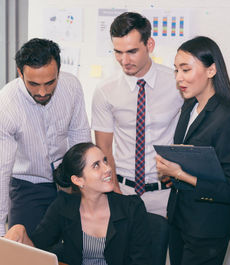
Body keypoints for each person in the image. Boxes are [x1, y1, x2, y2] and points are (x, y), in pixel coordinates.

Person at [91, 11, 183, 265]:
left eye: (131, 51)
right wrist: (116, 193)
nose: (124, 60)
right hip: (123, 191)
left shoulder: (176, 83)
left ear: (149, 45)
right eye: (117, 52)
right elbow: (103, 149)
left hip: (166, 193)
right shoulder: (105, 91)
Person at [156, 36, 230, 265]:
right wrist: (172, 175)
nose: (179, 78)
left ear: (211, 70)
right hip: (180, 219)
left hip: (208, 228)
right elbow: (196, 164)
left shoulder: (227, 118)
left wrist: (182, 175)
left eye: (186, 70)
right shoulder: (190, 107)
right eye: (176, 70)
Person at [0, 38, 91, 237]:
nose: (42, 92)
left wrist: (86, 187)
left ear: (58, 71)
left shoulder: (71, 86)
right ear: (20, 72)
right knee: (27, 254)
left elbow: (80, 138)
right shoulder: (4, 107)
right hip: (27, 186)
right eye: (33, 84)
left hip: (70, 182)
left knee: (73, 250)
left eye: (50, 82)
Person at [5, 142, 151, 265]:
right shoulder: (63, 205)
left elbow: (141, 261)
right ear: (78, 180)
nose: (108, 169)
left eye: (105, 161)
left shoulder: (133, 207)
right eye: (96, 165)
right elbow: (38, 249)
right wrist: (20, 230)